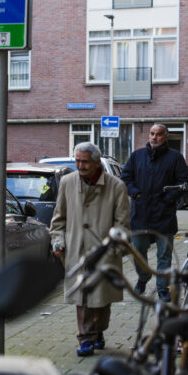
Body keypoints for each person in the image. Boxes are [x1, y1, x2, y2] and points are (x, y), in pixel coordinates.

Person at [51, 142, 130, 357]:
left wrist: (114, 249)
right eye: (77, 160)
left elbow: (122, 224)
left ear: (97, 162)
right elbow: (58, 220)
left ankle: (98, 330)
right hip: (77, 250)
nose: (80, 165)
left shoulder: (116, 186)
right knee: (84, 298)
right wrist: (58, 241)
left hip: (104, 251)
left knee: (101, 300)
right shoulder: (67, 182)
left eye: (85, 161)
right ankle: (85, 338)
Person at [121, 123, 188, 302]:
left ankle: (162, 289)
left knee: (164, 256)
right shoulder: (137, 156)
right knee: (137, 252)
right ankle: (143, 278)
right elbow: (125, 177)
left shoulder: (175, 158)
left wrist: (168, 200)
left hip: (164, 216)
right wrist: (135, 192)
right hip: (140, 215)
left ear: (165, 137)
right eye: (152, 133)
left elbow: (183, 183)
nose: (153, 137)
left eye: (158, 134)